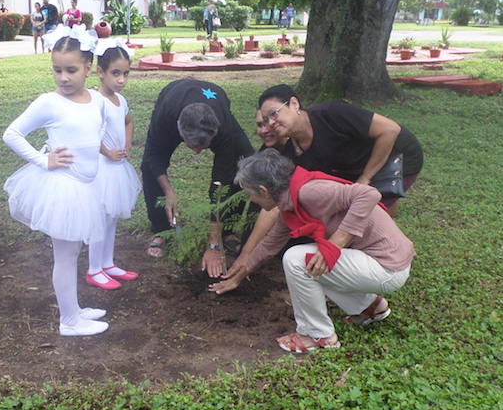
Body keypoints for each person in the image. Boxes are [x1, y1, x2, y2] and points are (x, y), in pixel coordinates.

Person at [210, 149, 415, 353]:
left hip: (387, 265)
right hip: (377, 262)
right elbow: (269, 245)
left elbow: (369, 194)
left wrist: (335, 243)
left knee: (296, 259)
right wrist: (238, 276)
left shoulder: (310, 192)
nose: (250, 200)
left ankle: (317, 335)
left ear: (263, 190)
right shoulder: (289, 203)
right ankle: (370, 307)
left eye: (249, 194)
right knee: (314, 262)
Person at [2, 25, 109, 336]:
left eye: (71, 70)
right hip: (63, 187)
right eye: (57, 70)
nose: (63, 77)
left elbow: (93, 134)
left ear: (89, 68)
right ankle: (69, 321)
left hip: (86, 185)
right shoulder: (49, 102)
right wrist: (42, 158)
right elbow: (12, 133)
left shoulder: (96, 100)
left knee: (74, 252)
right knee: (64, 255)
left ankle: (73, 308)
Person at [141, 79, 256, 273]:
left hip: (216, 102)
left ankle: (226, 231)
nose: (197, 152)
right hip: (173, 97)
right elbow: (153, 155)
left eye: (204, 146)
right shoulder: (167, 116)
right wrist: (168, 192)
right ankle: (162, 230)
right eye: (193, 146)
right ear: (181, 134)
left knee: (245, 165)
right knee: (149, 168)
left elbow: (221, 180)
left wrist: (214, 244)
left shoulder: (223, 127)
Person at [257, 84, 423, 217]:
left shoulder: (331, 114)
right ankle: (387, 203)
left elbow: (390, 130)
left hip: (398, 154)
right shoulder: (292, 148)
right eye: (266, 120)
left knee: (363, 213)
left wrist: (365, 178)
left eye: (274, 114)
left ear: (294, 104)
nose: (270, 123)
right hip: (358, 161)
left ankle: (386, 210)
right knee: (365, 202)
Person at [85, 39, 141, 290]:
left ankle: (107, 263)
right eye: (115, 73)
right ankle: (94, 268)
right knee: (100, 218)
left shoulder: (121, 100)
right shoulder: (95, 101)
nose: (121, 80)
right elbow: (87, 132)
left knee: (112, 218)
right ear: (101, 72)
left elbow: (128, 121)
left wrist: (127, 145)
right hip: (102, 168)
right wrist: (106, 151)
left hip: (118, 168)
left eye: (125, 74)